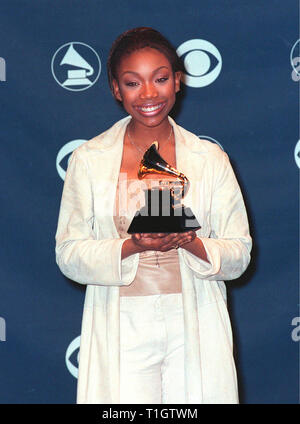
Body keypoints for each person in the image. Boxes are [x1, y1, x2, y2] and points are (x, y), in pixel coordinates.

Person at [55, 27, 252, 404]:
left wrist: (191, 242)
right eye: (133, 82)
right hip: (121, 322)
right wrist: (130, 246)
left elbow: (239, 253)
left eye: (160, 79)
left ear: (177, 81)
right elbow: (69, 254)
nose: (149, 94)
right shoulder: (89, 160)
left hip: (194, 321)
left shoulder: (210, 160)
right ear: (116, 88)